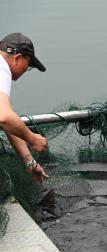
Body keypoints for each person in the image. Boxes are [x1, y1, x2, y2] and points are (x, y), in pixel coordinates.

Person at [0, 32, 48, 183]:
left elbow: (8, 121)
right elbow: (5, 118)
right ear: (17, 58)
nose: (25, 71)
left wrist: (30, 161)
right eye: (28, 65)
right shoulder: (2, 68)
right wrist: (32, 138)